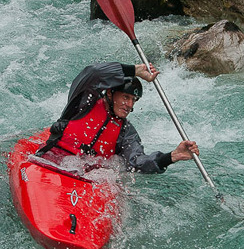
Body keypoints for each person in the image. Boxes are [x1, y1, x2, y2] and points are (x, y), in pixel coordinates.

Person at [37, 62, 199, 173]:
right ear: (110, 93)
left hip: (85, 178)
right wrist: (134, 70)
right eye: (125, 97)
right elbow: (94, 72)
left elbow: (136, 163)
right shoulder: (83, 102)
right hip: (51, 162)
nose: (129, 104)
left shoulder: (126, 131)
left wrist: (171, 157)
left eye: (133, 100)